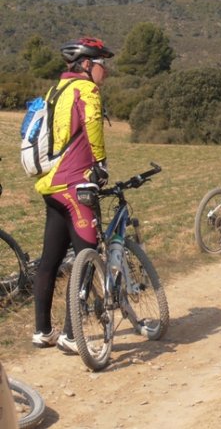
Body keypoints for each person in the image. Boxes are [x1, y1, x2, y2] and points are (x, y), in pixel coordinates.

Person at [31, 37, 114, 353]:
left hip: (51, 184)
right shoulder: (86, 89)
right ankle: (70, 334)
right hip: (75, 185)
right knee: (87, 256)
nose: (106, 71)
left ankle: (43, 331)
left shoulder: (56, 89)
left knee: (50, 260)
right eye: (103, 64)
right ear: (87, 64)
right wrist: (101, 164)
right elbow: (92, 123)